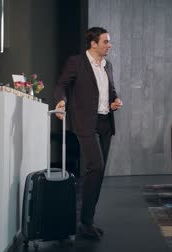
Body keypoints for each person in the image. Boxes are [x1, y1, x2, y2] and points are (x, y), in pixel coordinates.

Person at [54, 27, 123, 239]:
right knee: (97, 165)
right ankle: (85, 221)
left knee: (99, 172)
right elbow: (62, 84)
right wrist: (61, 101)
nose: (109, 45)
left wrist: (115, 101)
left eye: (109, 42)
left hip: (105, 123)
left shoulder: (107, 65)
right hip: (86, 123)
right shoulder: (77, 62)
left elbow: (110, 91)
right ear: (93, 44)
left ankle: (87, 220)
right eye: (105, 42)